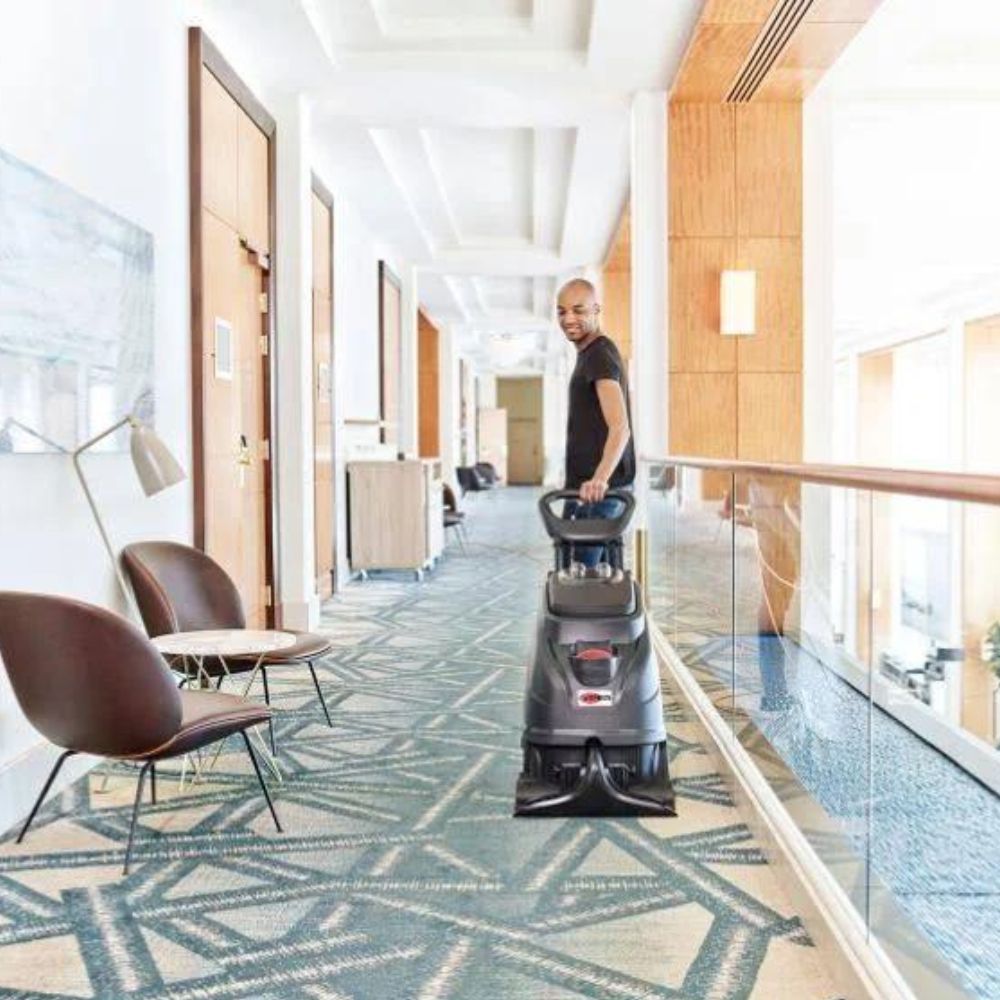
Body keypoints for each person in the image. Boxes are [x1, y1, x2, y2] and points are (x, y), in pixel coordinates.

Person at [556, 278, 635, 567]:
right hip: (586, 490)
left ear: (596, 310)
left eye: (578, 310)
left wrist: (600, 479)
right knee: (592, 577)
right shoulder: (589, 355)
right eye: (562, 311)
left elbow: (620, 426)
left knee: (580, 579)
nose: (569, 319)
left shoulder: (600, 354)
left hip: (600, 493)